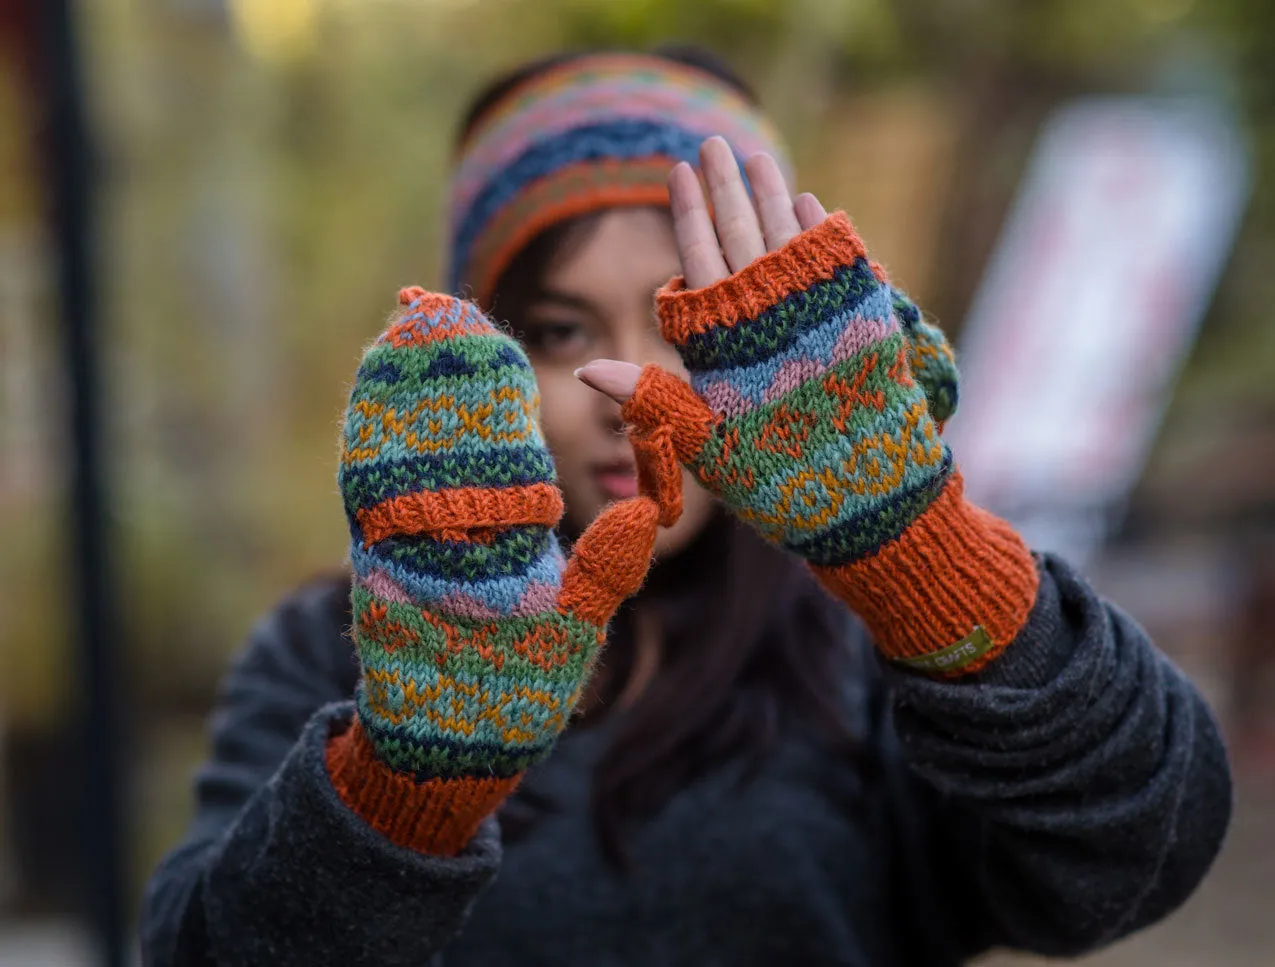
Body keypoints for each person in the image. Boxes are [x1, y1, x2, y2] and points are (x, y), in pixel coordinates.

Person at [141, 48, 1232, 966]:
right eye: (561, 331)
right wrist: (403, 789)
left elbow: (1146, 844)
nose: (623, 388)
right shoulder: (334, 652)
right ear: (486, 357)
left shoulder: (866, 642)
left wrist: (917, 550)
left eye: (682, 324)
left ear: (783, 343)